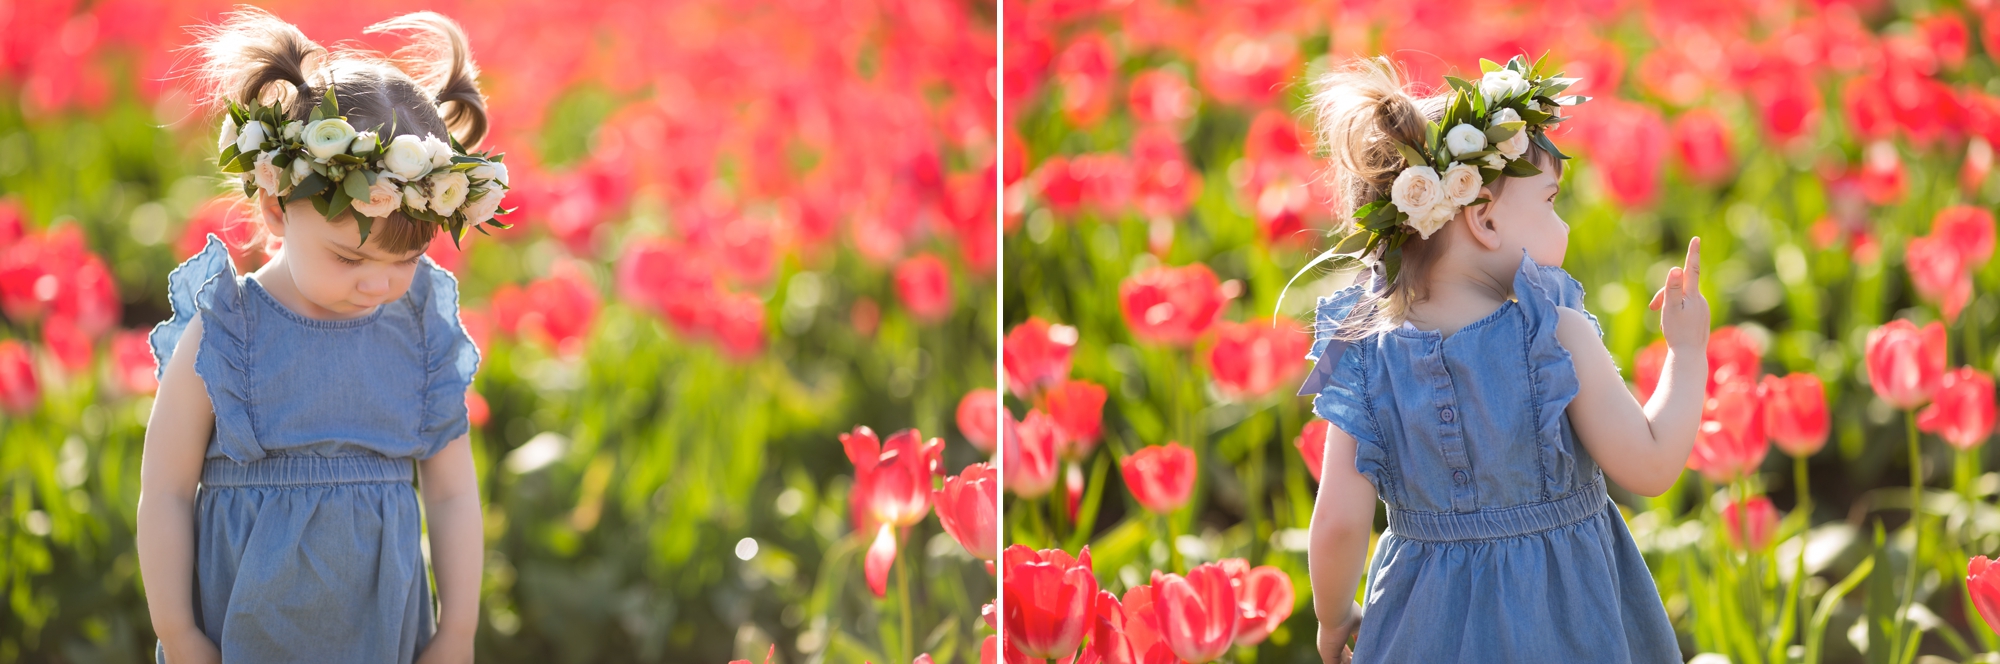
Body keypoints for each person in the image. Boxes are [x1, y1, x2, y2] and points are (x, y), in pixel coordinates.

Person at [1297, 54, 1707, 663]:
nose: (1562, 224)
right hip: (1569, 620)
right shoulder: (1555, 334)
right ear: (1484, 219)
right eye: (1549, 202)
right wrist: (1688, 352)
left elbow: (1335, 522)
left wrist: (1335, 618)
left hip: (1421, 626)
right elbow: (1649, 468)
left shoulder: (1361, 355)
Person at [136, 7, 510, 663]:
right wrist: (180, 634)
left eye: (406, 261)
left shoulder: (418, 330)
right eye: (350, 257)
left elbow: (451, 493)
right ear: (277, 206)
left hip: (379, 633)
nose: (379, 285)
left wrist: (457, 631)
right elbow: (165, 490)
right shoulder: (227, 332)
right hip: (242, 633)